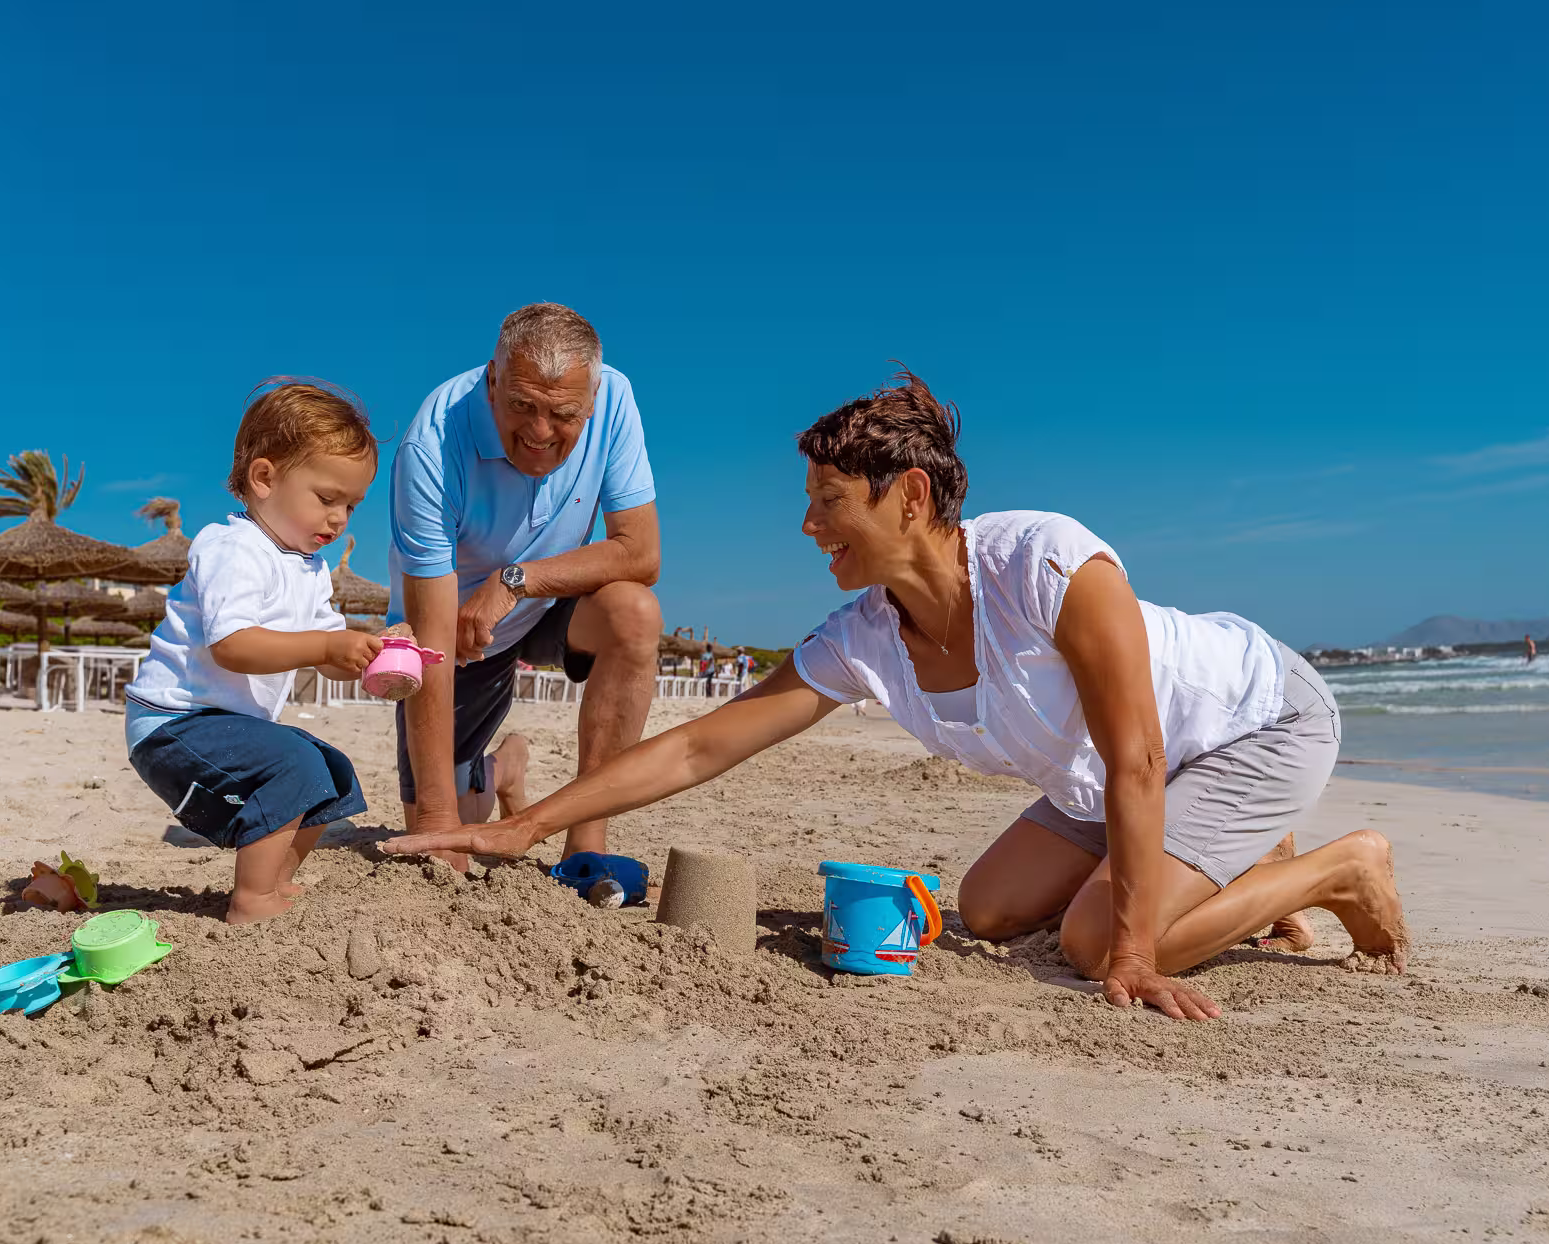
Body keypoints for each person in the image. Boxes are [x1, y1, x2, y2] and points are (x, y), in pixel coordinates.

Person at [384, 368, 1409, 1020]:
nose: (807, 526)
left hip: (1251, 723)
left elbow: (1140, 756)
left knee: (1099, 940)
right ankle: (1243, 858)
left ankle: (1336, 869)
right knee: (991, 909)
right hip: (1115, 776)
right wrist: (531, 828)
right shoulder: (867, 635)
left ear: (910, 497)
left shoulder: (1047, 563)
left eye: (828, 502)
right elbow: (703, 747)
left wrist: (1137, 950)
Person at [389, 303, 662, 866]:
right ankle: (502, 768)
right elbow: (432, 642)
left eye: (564, 414)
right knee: (450, 827)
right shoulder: (433, 443)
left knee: (634, 611)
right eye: (521, 406)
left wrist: (516, 581)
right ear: (493, 380)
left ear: (592, 399)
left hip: (545, 602)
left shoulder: (615, 396)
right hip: (457, 631)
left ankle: (586, 841)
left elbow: (641, 552)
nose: (539, 433)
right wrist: (440, 827)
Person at [126, 381, 386, 924]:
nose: (339, 519)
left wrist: (376, 651)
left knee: (332, 771)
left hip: (224, 725)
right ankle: (251, 899)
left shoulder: (309, 569)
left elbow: (328, 655)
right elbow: (233, 647)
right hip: (174, 722)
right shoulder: (233, 547)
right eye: (326, 498)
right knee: (293, 761)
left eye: (352, 505)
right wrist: (326, 644)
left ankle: (275, 881)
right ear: (264, 478)